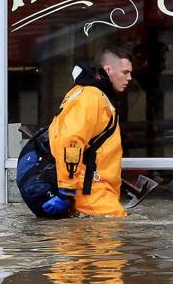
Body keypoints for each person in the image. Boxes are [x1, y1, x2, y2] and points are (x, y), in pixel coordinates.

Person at [45, 46, 134, 218]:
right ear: (108, 70)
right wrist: (66, 190)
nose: (129, 78)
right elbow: (71, 140)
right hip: (91, 195)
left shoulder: (85, 94)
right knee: (102, 241)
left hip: (92, 193)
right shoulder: (91, 97)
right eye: (125, 72)